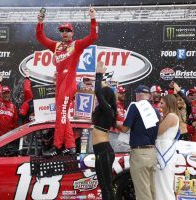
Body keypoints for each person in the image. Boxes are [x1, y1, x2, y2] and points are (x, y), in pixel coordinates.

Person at [36, 6, 98, 156]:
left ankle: (56, 146)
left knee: (61, 115)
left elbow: (93, 37)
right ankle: (70, 145)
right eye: (62, 31)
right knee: (63, 115)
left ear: (72, 33)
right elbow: (40, 37)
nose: (64, 33)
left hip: (69, 82)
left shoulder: (76, 45)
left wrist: (93, 18)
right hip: (59, 82)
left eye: (67, 30)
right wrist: (40, 22)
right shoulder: (56, 46)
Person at [117, 85, 160, 200]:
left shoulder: (135, 107)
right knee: (152, 190)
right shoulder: (155, 111)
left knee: (143, 192)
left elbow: (125, 129)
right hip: (152, 153)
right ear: (148, 96)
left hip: (140, 153)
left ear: (138, 95)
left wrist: (113, 122)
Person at [92, 61, 117, 200]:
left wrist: (99, 74)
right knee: (104, 186)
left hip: (104, 151)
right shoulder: (104, 111)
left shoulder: (108, 111)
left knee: (107, 187)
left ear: (104, 97)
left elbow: (97, 91)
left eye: (101, 96)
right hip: (101, 151)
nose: (98, 99)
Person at [155, 94, 180, 200]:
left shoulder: (171, 116)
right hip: (161, 148)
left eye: (162, 103)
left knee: (164, 184)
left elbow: (158, 131)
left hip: (165, 151)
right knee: (159, 183)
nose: (160, 105)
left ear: (168, 103)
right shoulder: (168, 116)